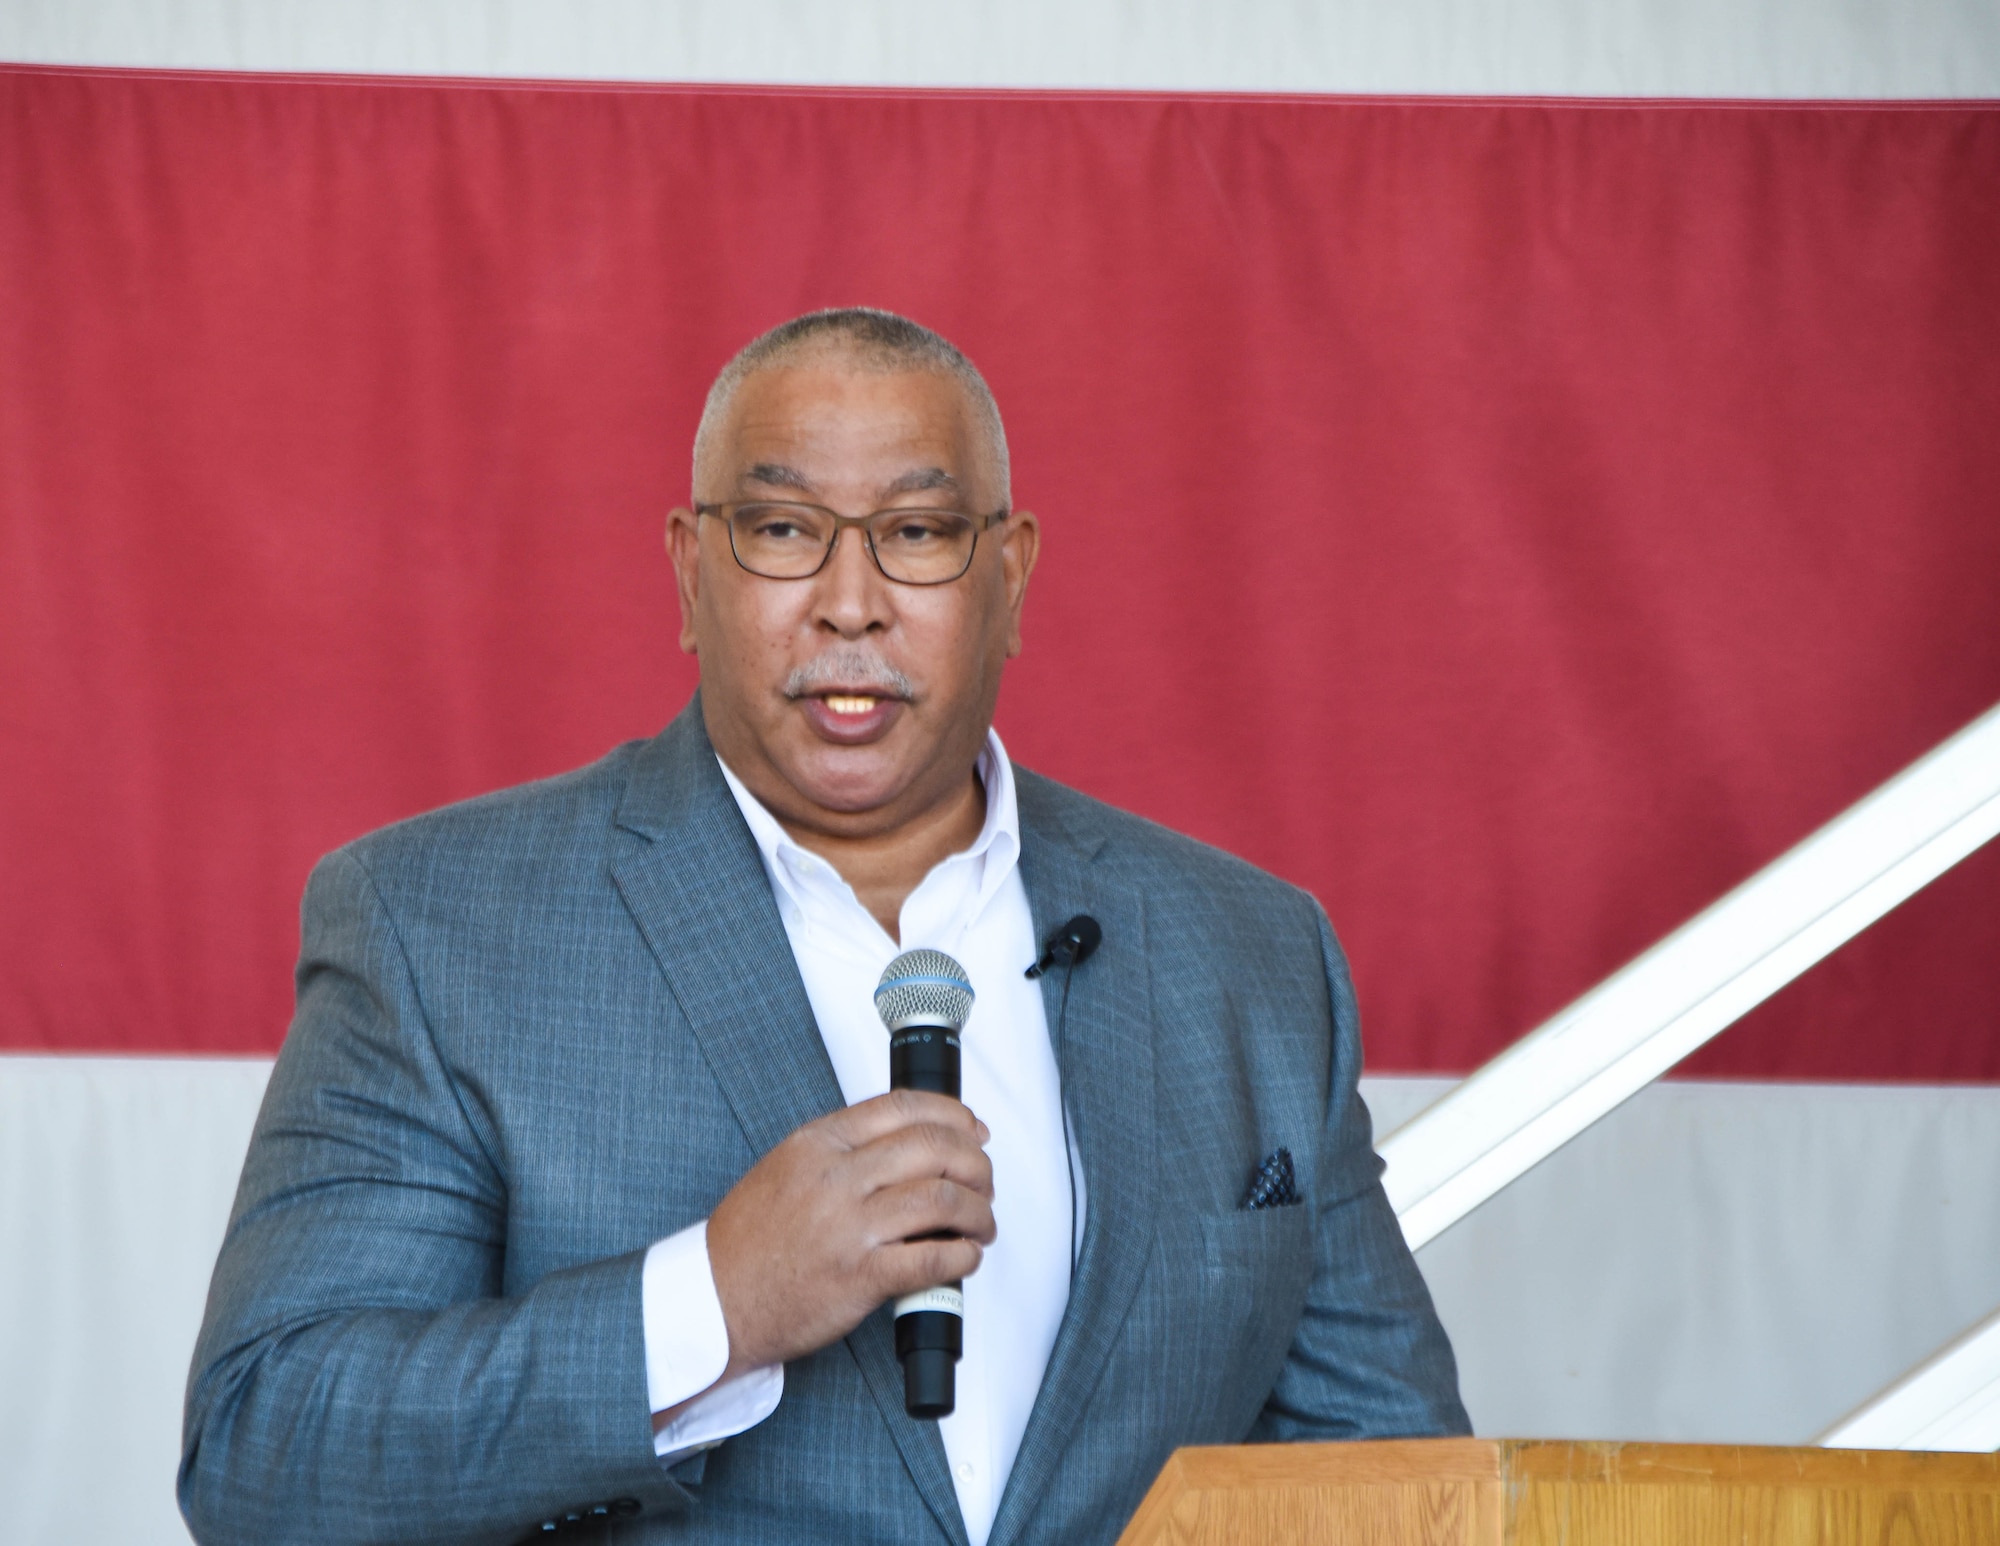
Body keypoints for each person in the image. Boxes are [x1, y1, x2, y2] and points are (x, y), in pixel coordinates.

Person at [180, 308, 1468, 1546]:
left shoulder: (1249, 954)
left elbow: (1401, 1482)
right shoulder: (437, 927)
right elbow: (266, 1453)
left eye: (915, 532)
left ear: (1010, 579)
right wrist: (714, 1304)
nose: (850, 604)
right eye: (785, 529)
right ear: (690, 572)